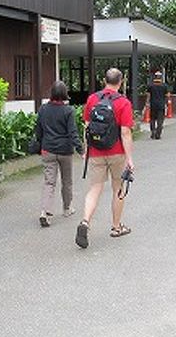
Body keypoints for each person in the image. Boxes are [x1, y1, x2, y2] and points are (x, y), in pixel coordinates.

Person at [75, 68, 135, 249]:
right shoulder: (123, 102)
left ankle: (85, 222)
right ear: (121, 82)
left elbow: (87, 126)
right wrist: (129, 158)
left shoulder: (93, 99)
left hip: (96, 151)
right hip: (116, 152)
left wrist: (87, 149)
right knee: (118, 188)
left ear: (104, 80)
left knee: (94, 189)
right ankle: (117, 227)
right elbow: (125, 132)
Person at [35, 81, 84, 228]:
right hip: (65, 151)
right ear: (64, 94)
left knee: (49, 182)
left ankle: (45, 212)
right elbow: (72, 132)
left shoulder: (43, 109)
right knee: (67, 181)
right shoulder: (68, 110)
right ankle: (67, 208)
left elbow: (38, 131)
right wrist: (81, 150)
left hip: (48, 150)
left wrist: (40, 145)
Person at [145, 71, 170, 139]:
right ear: (161, 77)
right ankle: (158, 134)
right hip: (161, 105)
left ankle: (153, 132)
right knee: (160, 120)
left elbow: (148, 95)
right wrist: (167, 103)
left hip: (153, 105)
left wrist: (147, 103)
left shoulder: (150, 85)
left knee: (152, 119)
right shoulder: (164, 86)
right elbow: (168, 95)